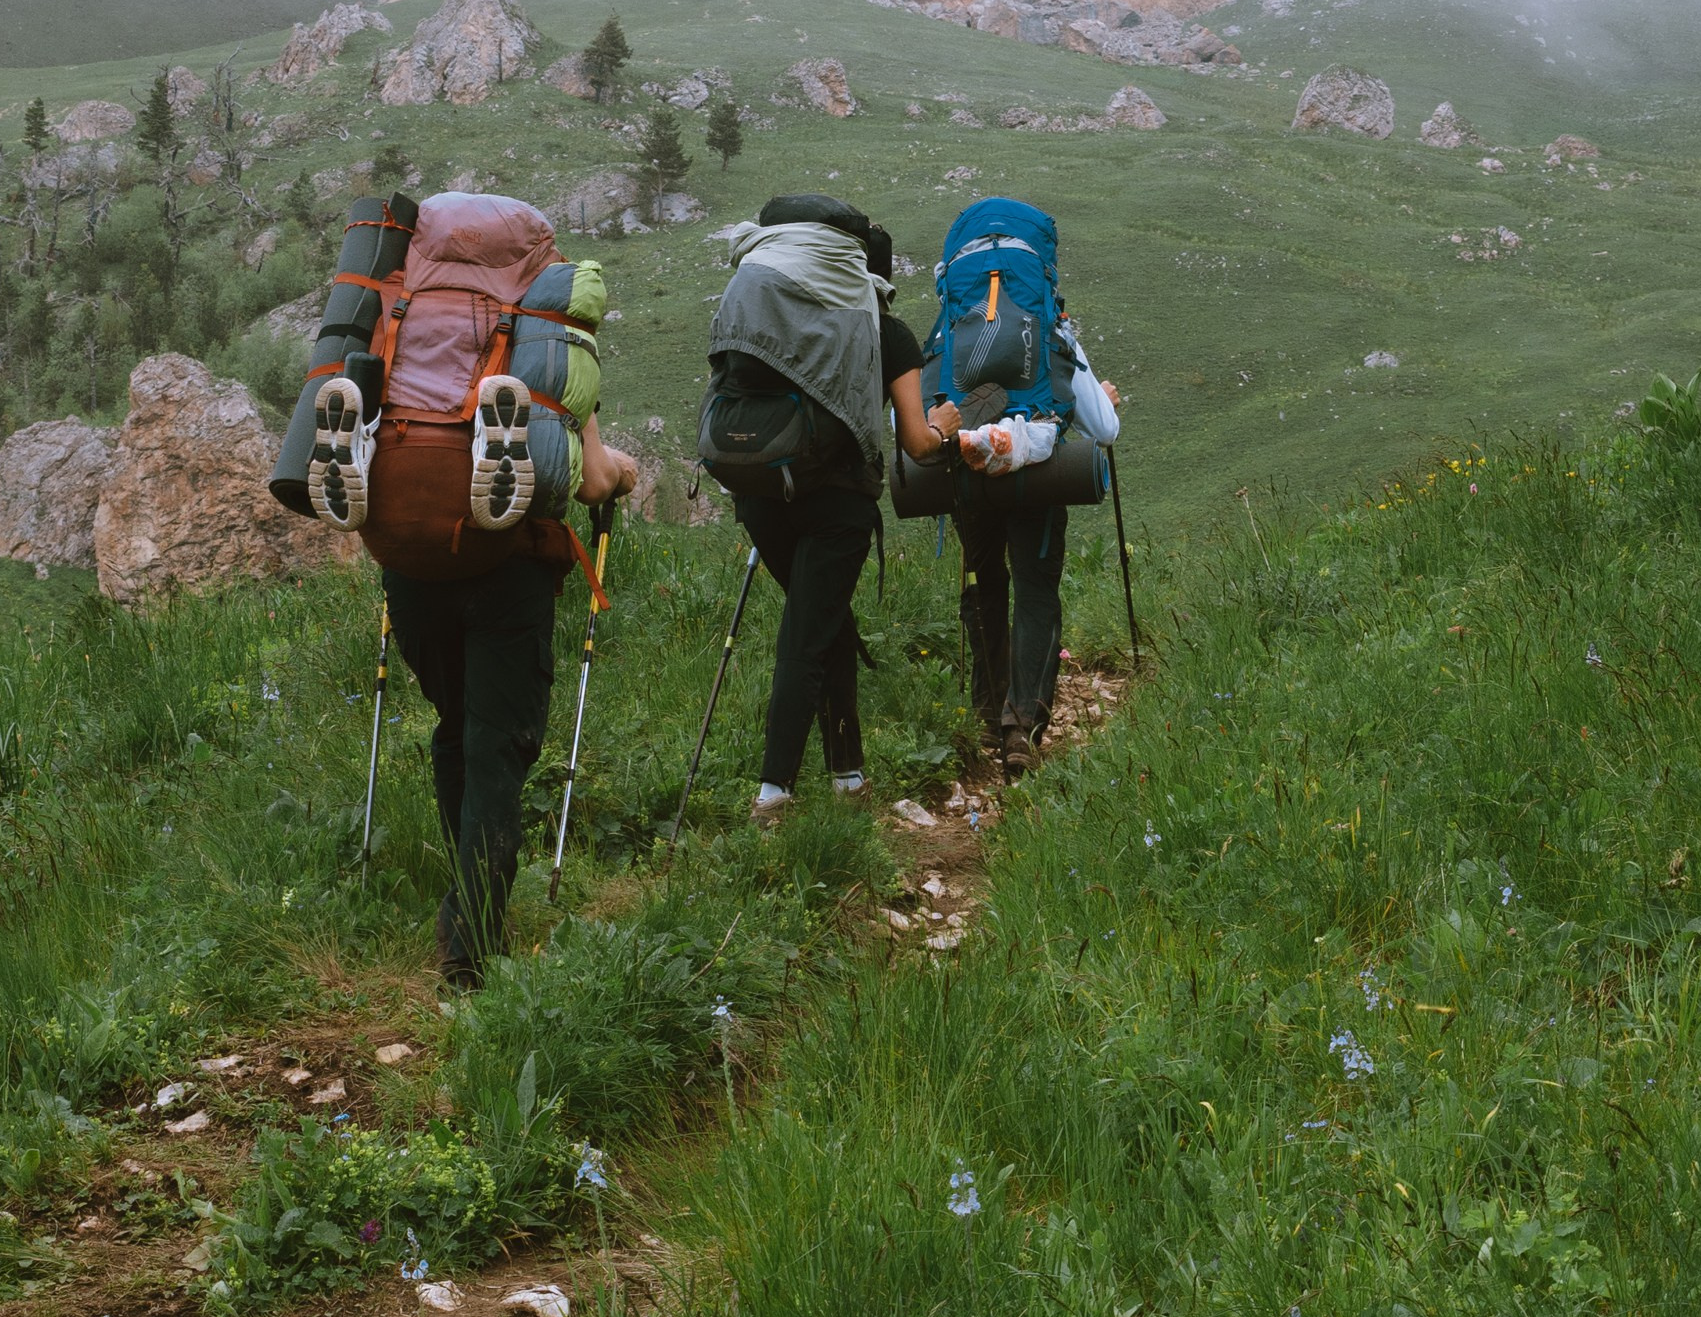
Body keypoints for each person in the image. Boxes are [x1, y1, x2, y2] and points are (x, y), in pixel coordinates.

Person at [344, 191, 640, 989]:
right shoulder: (544, 333)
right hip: (508, 561)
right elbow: (590, 482)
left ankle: (462, 901)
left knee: (457, 727)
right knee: (496, 748)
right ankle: (471, 948)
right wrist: (621, 473)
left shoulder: (396, 311)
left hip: (408, 553)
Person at [703, 195, 958, 823]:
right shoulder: (885, 331)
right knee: (807, 634)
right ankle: (774, 791)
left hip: (760, 491)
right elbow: (917, 446)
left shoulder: (760, 306)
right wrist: (944, 426)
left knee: (826, 623)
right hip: (836, 504)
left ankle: (849, 775)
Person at [951, 297, 1119, 775]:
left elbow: (916, 416)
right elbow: (1104, 430)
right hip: (1036, 479)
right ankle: (1020, 728)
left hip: (970, 476)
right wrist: (1103, 399)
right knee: (1035, 590)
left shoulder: (951, 329)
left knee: (984, 581)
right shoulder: (1052, 330)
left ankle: (987, 713)